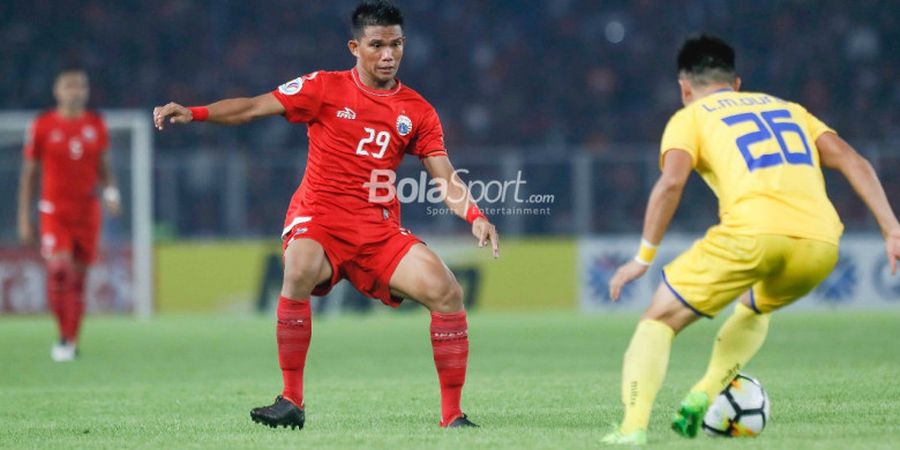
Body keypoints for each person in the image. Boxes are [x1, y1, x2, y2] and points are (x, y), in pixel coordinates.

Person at [152, 0, 499, 429]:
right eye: (377, 45)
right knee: (298, 267)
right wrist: (196, 113)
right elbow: (254, 107)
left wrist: (476, 216)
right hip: (320, 219)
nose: (388, 55)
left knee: (447, 292)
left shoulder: (418, 111)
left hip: (377, 230)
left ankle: (453, 417)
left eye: (396, 45)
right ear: (355, 46)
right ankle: (291, 400)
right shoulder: (323, 87)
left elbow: (445, 178)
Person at [602, 35, 900, 445]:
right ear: (736, 83)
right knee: (755, 308)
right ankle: (703, 394)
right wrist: (891, 227)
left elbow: (671, 183)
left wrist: (642, 257)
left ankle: (631, 429)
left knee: (658, 320)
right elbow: (853, 160)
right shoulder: (789, 109)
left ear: (684, 88)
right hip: (821, 243)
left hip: (753, 232)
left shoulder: (689, 117)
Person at [17, 67, 122, 362]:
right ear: (57, 91)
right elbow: (29, 174)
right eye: (69, 85)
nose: (75, 90)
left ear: (86, 91)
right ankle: (64, 334)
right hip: (54, 211)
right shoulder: (43, 125)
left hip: (87, 211)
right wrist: (24, 217)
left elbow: (104, 168)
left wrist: (112, 192)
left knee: (78, 280)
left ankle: (70, 341)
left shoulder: (95, 125)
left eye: (80, 86)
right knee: (58, 271)